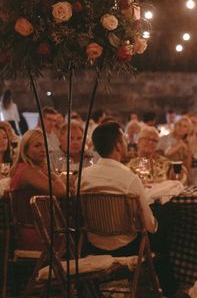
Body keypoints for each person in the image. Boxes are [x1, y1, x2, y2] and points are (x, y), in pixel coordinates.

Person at [80, 122, 178, 296]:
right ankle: (170, 290)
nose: (126, 143)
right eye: (124, 140)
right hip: (126, 246)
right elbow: (149, 225)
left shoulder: (83, 176)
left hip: (92, 244)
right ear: (118, 145)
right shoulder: (129, 178)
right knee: (164, 230)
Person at [9, 129, 67, 250]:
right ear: (25, 150)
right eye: (37, 146)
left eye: (45, 145)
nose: (43, 149)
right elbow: (61, 191)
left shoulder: (24, 168)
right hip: (39, 235)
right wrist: (54, 174)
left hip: (36, 230)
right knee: (79, 230)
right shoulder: (28, 171)